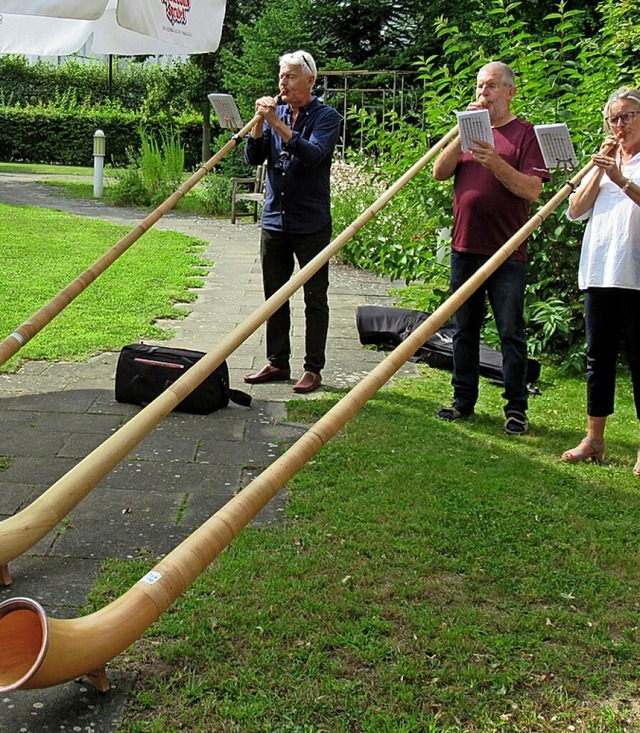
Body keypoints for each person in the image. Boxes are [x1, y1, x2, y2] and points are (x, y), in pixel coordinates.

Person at [432, 61, 549, 435]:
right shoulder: (468, 131)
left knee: (510, 331)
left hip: (507, 251)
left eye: (492, 86)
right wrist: (458, 134)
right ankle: (463, 401)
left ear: (510, 92)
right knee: (464, 329)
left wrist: (495, 161)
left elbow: (532, 190)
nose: (483, 93)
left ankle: (516, 409)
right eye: (480, 86)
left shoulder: (524, 134)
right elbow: (439, 172)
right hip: (465, 246)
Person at [243, 50, 342, 394]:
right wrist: (258, 123)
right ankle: (277, 361)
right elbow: (254, 157)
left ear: (310, 80)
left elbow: (313, 155)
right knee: (274, 295)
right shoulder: (276, 114)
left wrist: (275, 124)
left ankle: (313, 367)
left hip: (311, 223)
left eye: (290, 77)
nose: (282, 83)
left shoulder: (327, 117)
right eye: (281, 76)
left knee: (315, 297)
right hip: (274, 220)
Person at [561, 87, 640, 475]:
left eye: (627, 117)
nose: (620, 125)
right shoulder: (603, 162)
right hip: (599, 271)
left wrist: (621, 178)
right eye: (614, 119)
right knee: (598, 357)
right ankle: (594, 438)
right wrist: (600, 170)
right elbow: (575, 210)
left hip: (636, 273)